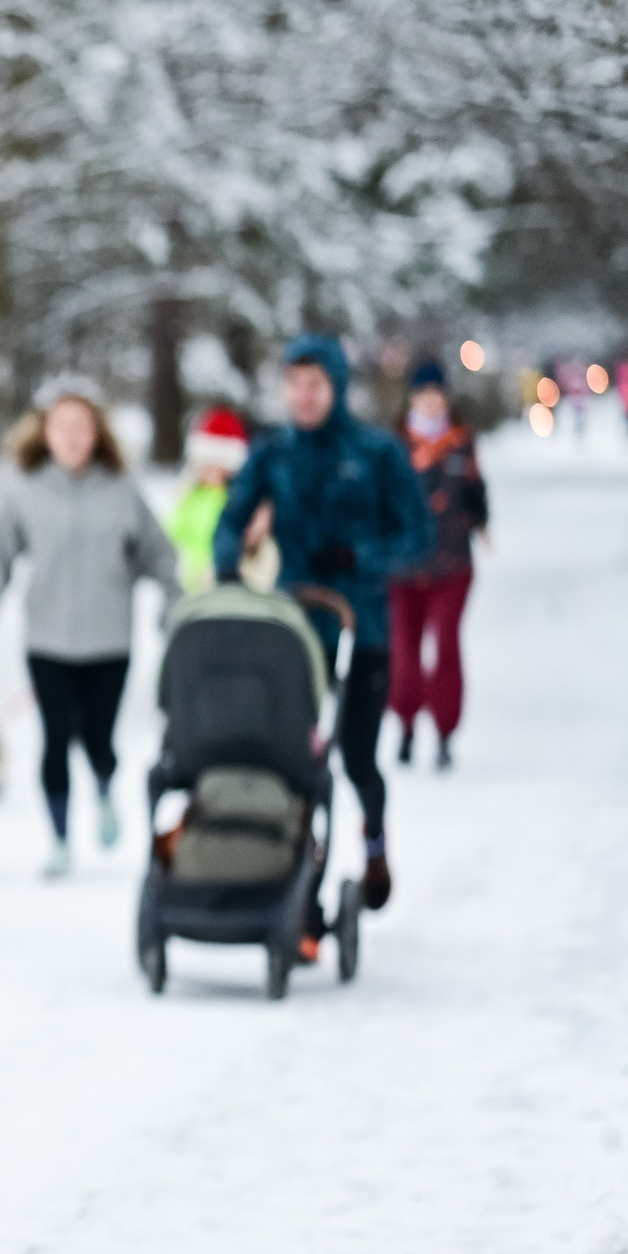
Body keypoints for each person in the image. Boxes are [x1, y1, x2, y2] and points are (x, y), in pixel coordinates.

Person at [213, 333, 431, 915]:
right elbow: (230, 519)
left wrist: (364, 556)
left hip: (365, 630)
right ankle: (295, 885)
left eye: (316, 385)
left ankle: (375, 842)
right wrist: (230, 558)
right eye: (294, 385)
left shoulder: (376, 453)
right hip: (294, 633)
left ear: (336, 387)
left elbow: (417, 536)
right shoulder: (273, 455)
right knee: (294, 760)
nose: (304, 397)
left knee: (357, 755)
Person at [0, 386, 178, 876]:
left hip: (110, 642)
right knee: (56, 737)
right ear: (46, 434)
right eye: (63, 428)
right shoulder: (23, 492)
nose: (73, 438)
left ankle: (103, 788)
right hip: (47, 642)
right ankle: (59, 840)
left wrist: (174, 610)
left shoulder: (122, 491)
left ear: (97, 434)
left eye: (83, 427)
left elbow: (161, 559)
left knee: (98, 739)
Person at [388, 358, 489, 771]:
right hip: (403, 567)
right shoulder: (394, 445)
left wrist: (481, 520)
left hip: (452, 564)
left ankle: (445, 730)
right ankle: (408, 723)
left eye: (437, 393)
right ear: (413, 398)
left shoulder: (461, 442)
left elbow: (476, 487)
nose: (431, 401)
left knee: (446, 645)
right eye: (423, 394)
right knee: (404, 652)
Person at [167, 405, 251, 594]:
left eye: (220, 460)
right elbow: (175, 535)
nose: (212, 468)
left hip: (228, 585)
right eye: (207, 460)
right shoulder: (191, 494)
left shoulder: (239, 498)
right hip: (191, 586)